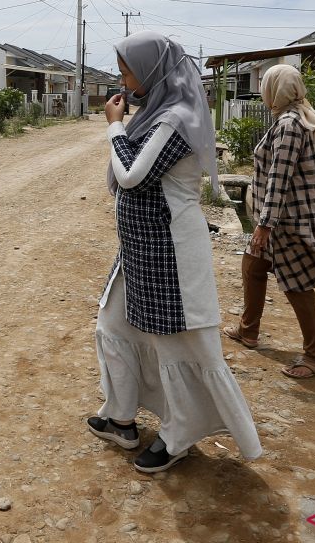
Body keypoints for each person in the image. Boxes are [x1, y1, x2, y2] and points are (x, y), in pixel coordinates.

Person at [87, 31, 262, 473]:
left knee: (176, 346)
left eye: (128, 70)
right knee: (114, 324)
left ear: (151, 70)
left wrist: (113, 126)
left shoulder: (177, 118)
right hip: (141, 248)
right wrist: (123, 127)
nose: (122, 79)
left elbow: (131, 175)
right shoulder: (155, 114)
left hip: (170, 253)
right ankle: (122, 418)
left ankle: (176, 436)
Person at [222, 64, 315, 378]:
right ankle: (248, 330)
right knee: (252, 265)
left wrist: (265, 225)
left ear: (275, 89)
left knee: (297, 284)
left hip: (290, 220)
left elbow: (280, 177)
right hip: (279, 216)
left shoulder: (290, 124)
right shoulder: (287, 119)